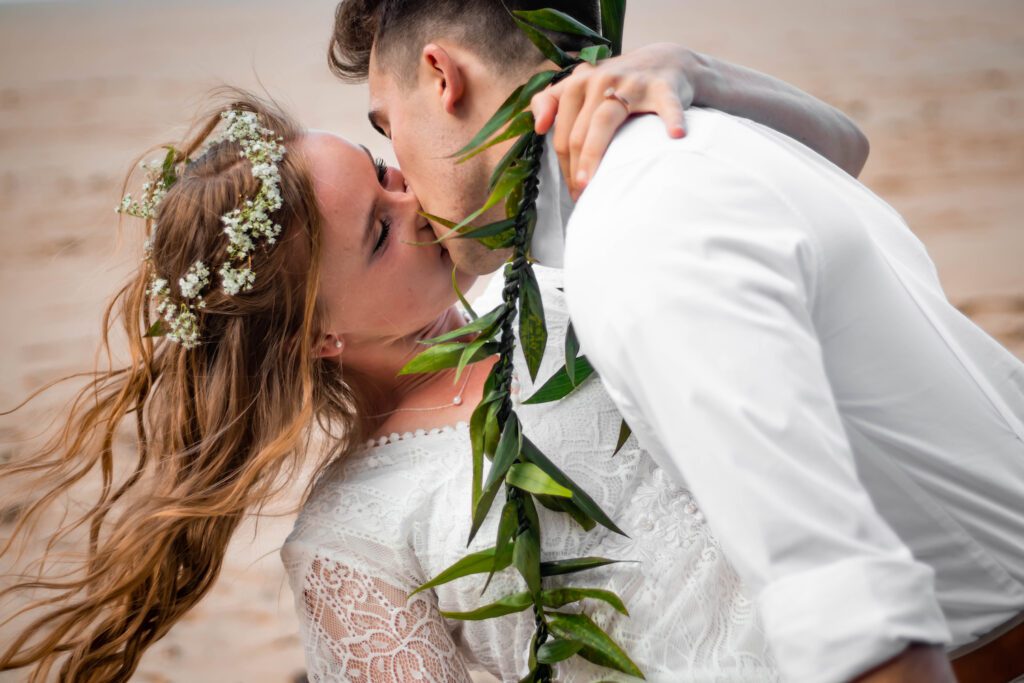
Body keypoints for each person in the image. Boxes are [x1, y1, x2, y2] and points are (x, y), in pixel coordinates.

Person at [0, 41, 872, 682]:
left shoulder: (564, 270)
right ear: (318, 336)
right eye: (379, 233)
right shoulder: (350, 545)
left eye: (383, 170)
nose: (415, 198)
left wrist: (695, 77)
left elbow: (839, 158)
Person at [328, 0, 1024, 682]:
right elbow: (848, 149)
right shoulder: (694, 136)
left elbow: (858, 621)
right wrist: (699, 71)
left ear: (441, 75)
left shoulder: (635, 236)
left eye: (390, 131)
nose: (409, 187)